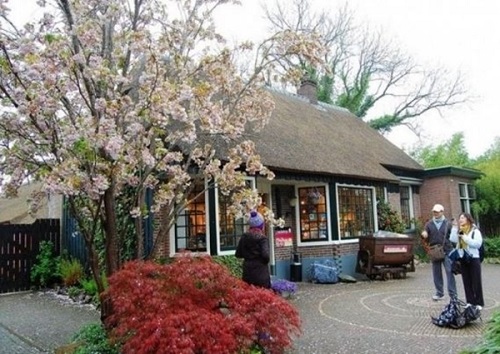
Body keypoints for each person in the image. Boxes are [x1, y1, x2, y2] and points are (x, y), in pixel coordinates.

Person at [421, 204, 457, 301]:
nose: (435, 213)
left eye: (437, 212)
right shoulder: (429, 224)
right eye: (434, 212)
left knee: (450, 272)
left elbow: (454, 237)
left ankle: (453, 295)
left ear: (442, 212)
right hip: (435, 251)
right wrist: (424, 234)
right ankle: (439, 293)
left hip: (447, 251)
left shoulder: (448, 223)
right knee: (436, 273)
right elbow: (425, 233)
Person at [449, 212, 484, 309]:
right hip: (463, 258)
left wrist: (465, 238)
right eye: (460, 218)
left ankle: (479, 303)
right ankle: (470, 301)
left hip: (473, 258)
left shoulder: (474, 231)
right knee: (466, 281)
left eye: (463, 218)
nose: (461, 219)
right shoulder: (461, 230)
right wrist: (455, 228)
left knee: (476, 281)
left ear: (468, 219)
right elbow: (453, 239)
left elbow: (477, 244)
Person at [235, 210, 271, 289]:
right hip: (261, 272)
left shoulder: (244, 237)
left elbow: (238, 254)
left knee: (249, 295)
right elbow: (266, 255)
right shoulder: (262, 238)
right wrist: (264, 262)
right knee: (263, 295)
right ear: (261, 225)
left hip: (248, 271)